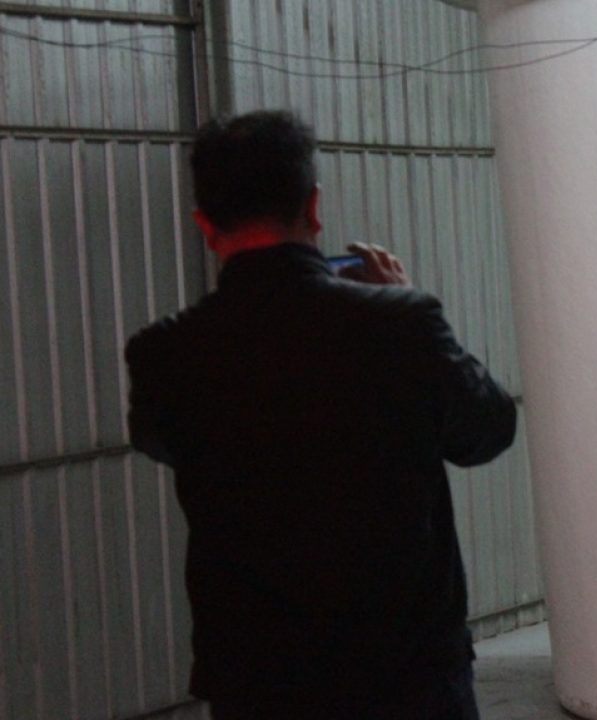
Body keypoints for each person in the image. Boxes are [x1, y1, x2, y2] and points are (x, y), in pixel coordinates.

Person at [125, 110, 516, 720]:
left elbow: (162, 442)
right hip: (405, 672)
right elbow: (488, 431)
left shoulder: (163, 353)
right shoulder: (399, 323)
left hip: (257, 677)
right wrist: (404, 309)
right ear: (313, 206)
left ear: (204, 225)